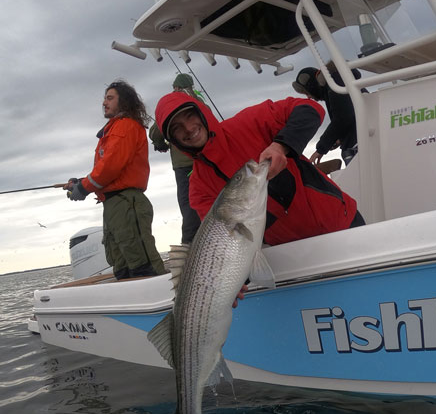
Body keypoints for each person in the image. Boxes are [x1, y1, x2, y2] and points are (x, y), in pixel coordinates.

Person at [154, 92, 363, 248]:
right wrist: (234, 284)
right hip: (291, 254)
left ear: (202, 113)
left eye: (190, 116)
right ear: (173, 140)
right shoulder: (199, 189)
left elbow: (309, 108)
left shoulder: (249, 123)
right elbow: (227, 243)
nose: (188, 128)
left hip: (342, 223)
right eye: (177, 128)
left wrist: (281, 145)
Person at [66, 80, 166, 280]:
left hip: (126, 203)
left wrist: (84, 188)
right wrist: (81, 182)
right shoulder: (113, 130)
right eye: (104, 98)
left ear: (124, 101)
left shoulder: (124, 127)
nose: (104, 102)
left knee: (140, 261)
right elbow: (106, 169)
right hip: (114, 204)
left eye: (110, 98)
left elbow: (110, 166)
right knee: (121, 262)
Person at [149, 73, 202, 245]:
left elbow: (156, 132)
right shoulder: (201, 105)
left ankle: (188, 249)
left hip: (184, 167)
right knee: (208, 204)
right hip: (205, 161)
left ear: (176, 88)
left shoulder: (171, 105)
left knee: (189, 209)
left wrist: (161, 144)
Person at [292, 64, 365, 165]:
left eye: (307, 92)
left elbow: (343, 118)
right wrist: (337, 138)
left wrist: (321, 148)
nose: (309, 96)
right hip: (365, 138)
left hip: (358, 145)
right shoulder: (343, 81)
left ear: (312, 86)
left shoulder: (334, 83)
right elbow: (352, 114)